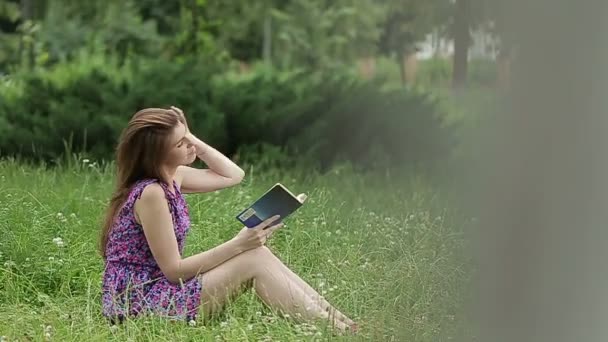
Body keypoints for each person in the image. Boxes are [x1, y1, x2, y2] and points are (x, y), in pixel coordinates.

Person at [99, 106, 358, 333]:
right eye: (181, 144)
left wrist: (191, 140)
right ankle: (338, 332)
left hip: (160, 290)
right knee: (252, 258)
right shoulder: (151, 193)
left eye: (187, 137)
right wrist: (239, 244)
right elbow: (173, 271)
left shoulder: (174, 176)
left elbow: (233, 175)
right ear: (156, 156)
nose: (190, 145)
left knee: (260, 253)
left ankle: (342, 324)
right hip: (139, 304)